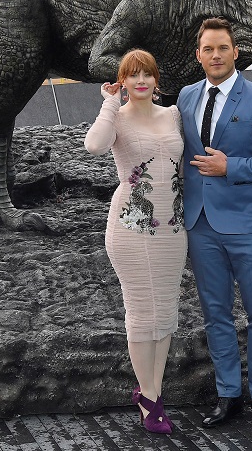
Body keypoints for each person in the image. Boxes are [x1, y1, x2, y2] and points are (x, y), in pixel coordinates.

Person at [176, 17, 252, 433]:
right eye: (207, 49)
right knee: (216, 315)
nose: (215, 56)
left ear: (235, 52)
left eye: (222, 48)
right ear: (198, 55)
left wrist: (232, 167)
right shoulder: (187, 96)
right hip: (201, 224)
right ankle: (228, 393)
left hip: (249, 225)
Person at [84, 49, 187, 435]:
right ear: (123, 81)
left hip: (173, 229)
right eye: (133, 75)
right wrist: (110, 104)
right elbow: (94, 145)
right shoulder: (116, 120)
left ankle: (153, 393)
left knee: (166, 312)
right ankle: (148, 399)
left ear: (156, 79)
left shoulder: (173, 114)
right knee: (143, 312)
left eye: (147, 74)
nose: (141, 80)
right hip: (131, 227)